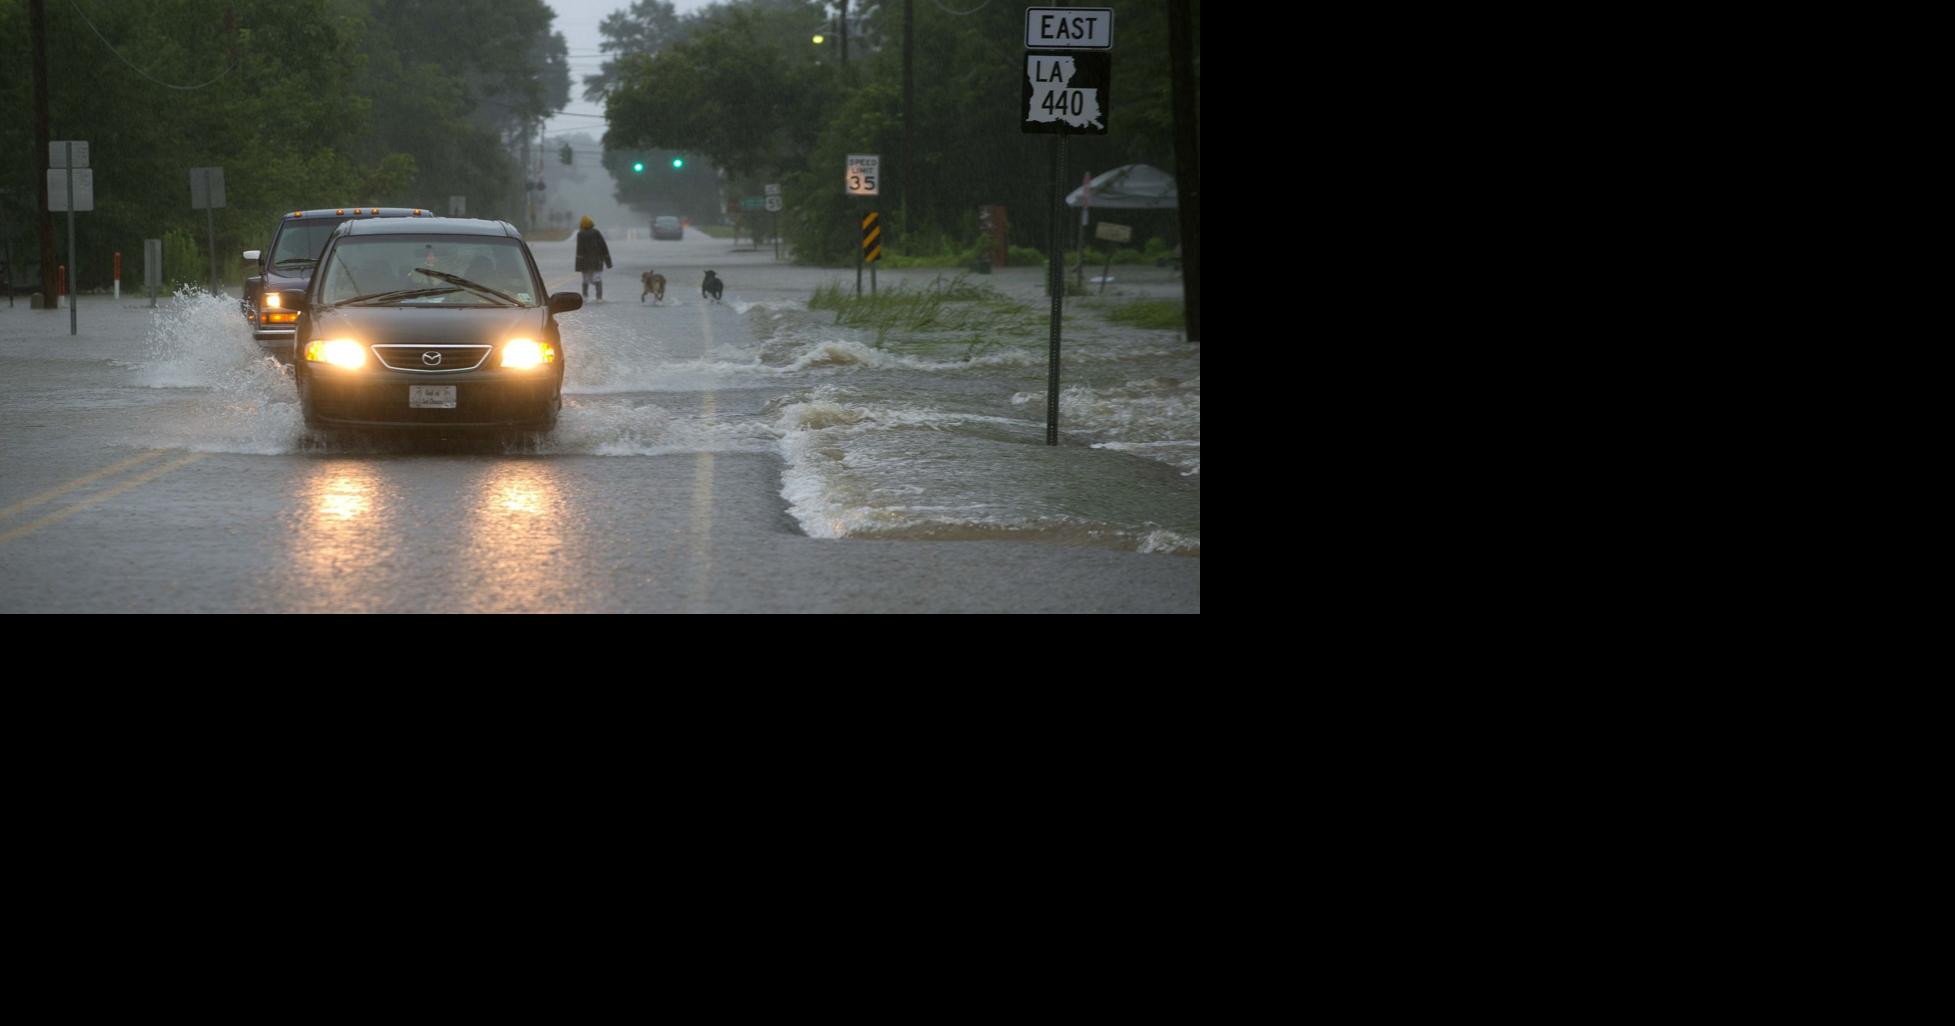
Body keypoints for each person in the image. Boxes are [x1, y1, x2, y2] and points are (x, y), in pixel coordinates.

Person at [576, 215, 613, 302]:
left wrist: (578, 266)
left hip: (585, 262)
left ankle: (585, 296)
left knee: (585, 279)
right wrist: (608, 262)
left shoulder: (580, 234)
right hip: (598, 261)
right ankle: (599, 297)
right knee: (597, 278)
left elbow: (579, 250)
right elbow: (604, 247)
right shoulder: (596, 232)